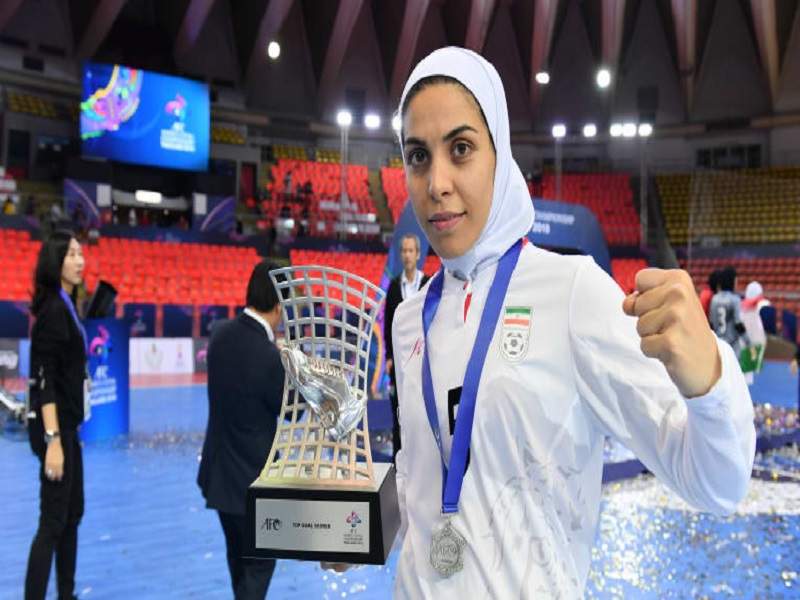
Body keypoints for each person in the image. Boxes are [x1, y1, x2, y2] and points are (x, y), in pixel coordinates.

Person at [382, 47, 754, 597]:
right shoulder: (410, 318)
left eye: (460, 149)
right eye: (418, 155)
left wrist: (710, 386)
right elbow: (420, 477)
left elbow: (718, 485)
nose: (436, 182)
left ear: (500, 154)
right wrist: (357, 529)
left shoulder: (573, 292)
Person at [197, 260, 285, 599]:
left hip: (220, 479)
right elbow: (288, 410)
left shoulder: (219, 333)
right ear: (279, 306)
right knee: (257, 572)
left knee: (238, 566)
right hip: (254, 486)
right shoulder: (270, 358)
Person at [25, 230, 88, 600]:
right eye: (72, 254)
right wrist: (53, 442)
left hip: (67, 428)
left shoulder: (66, 305)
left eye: (81, 253)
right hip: (54, 429)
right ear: (56, 261)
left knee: (72, 513)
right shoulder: (52, 311)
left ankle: (67, 593)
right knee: (52, 522)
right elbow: (44, 380)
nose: (80, 261)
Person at [383, 233, 430, 461]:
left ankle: (422, 461)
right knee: (398, 414)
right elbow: (388, 324)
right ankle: (398, 464)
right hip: (400, 362)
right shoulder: (393, 287)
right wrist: (389, 356)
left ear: (418, 254)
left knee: (422, 416)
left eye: (411, 250)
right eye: (404, 250)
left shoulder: (428, 284)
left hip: (423, 362)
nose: (407, 255)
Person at [709, 266, 751, 357]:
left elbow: (711, 323)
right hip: (732, 346)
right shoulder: (735, 300)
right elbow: (738, 324)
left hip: (718, 344)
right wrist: (748, 343)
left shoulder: (714, 299)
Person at [741, 281, 769, 384]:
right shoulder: (748, 311)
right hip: (750, 345)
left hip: (749, 344)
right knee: (746, 375)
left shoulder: (748, 309)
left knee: (747, 375)